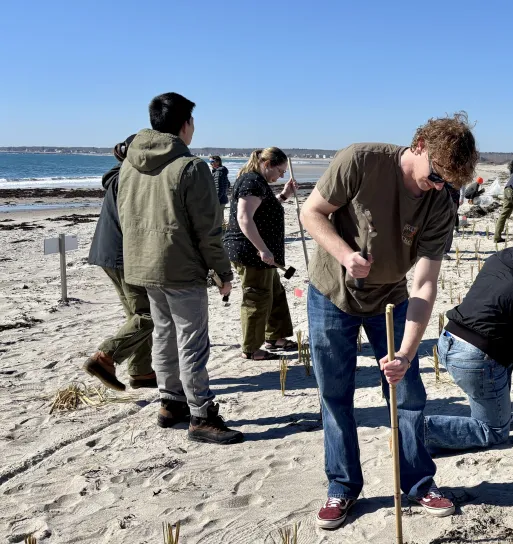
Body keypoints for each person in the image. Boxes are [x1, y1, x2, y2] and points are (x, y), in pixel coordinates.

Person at [299, 113, 479, 529]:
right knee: (335, 393)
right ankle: (342, 487)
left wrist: (406, 352)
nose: (437, 188)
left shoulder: (441, 201)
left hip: (391, 298)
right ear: (418, 146)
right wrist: (346, 255)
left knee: (408, 392)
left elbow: (425, 285)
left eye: (448, 184)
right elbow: (312, 213)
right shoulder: (360, 161)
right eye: (435, 177)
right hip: (332, 292)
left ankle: (418, 483)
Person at [117, 92, 242, 445]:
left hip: (143, 263)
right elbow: (208, 229)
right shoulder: (191, 167)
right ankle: (201, 414)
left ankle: (170, 402)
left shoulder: (129, 164)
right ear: (185, 124)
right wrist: (222, 273)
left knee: (164, 333)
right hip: (181, 267)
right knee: (191, 340)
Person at [425, 245, 513, 451]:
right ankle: (416, 430)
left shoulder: (499, 260)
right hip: (476, 359)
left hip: (447, 340)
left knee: (504, 355)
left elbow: (497, 313)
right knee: (495, 432)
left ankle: (500, 414)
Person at [83, 134, 156, 391]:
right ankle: (105, 356)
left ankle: (141, 372)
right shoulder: (134, 177)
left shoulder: (119, 173)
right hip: (124, 255)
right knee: (150, 314)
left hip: (107, 252)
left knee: (135, 314)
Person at [223, 147, 299, 361]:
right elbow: (244, 218)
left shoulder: (258, 182)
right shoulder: (251, 181)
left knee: (274, 292)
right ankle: (251, 348)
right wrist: (262, 249)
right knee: (257, 297)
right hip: (251, 253)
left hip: (263, 253)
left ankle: (275, 336)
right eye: (280, 171)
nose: (281, 175)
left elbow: (264, 209)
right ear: (267, 164)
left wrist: (284, 195)